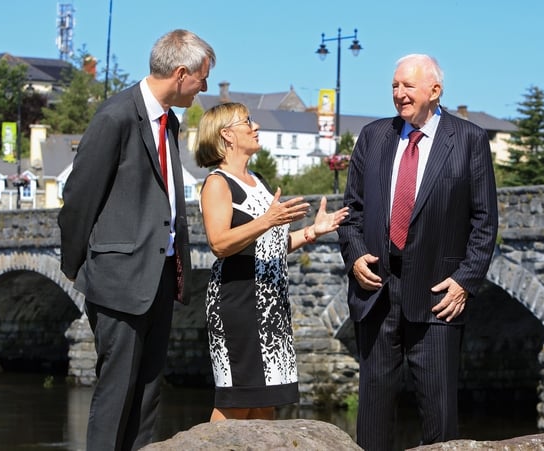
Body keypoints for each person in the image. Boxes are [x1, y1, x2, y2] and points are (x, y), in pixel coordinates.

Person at [58, 29, 215, 451]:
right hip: (119, 280)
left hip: (160, 277)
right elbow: (78, 198)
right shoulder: (116, 116)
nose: (204, 87)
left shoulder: (169, 122)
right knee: (116, 394)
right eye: (202, 77)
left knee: (147, 394)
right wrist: (76, 267)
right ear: (181, 74)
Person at [338, 54, 499, 450]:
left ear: (435, 90)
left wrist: (465, 281)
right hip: (376, 290)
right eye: (394, 86)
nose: (399, 94)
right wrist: (355, 255)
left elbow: (484, 222)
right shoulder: (373, 136)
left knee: (439, 415)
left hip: (437, 294)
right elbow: (350, 212)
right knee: (373, 415)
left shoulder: (469, 139)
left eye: (408, 86)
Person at [194, 102, 349, 422]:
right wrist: (267, 220)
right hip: (238, 300)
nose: (255, 127)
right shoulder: (217, 183)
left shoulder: (258, 179)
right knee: (237, 400)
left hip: (271, 305)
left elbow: (271, 246)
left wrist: (311, 232)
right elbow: (219, 243)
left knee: (265, 402)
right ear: (227, 135)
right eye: (247, 122)